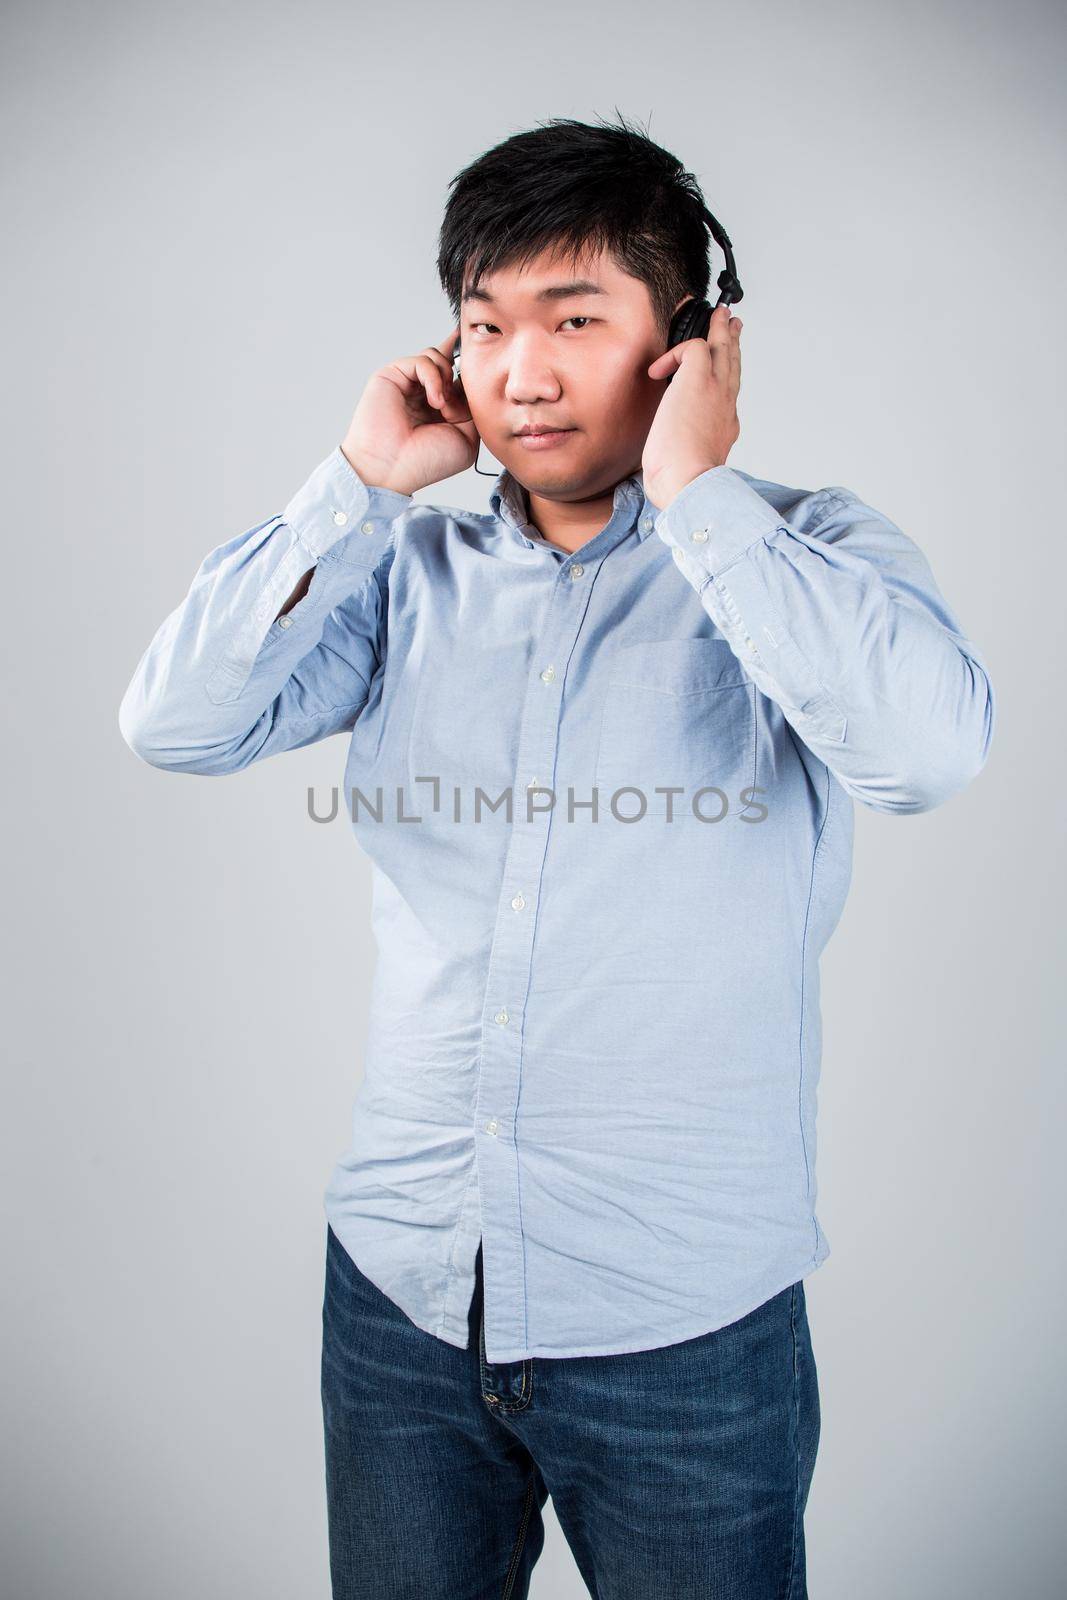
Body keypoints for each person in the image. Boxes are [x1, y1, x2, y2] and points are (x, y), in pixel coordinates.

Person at [118, 113, 995, 1599]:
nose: (520, 374)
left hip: (682, 1328)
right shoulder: (400, 571)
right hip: (404, 1303)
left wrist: (700, 498)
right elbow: (176, 723)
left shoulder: (805, 554)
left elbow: (925, 754)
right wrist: (354, 481)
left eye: (574, 321)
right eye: (484, 326)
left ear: (690, 339)